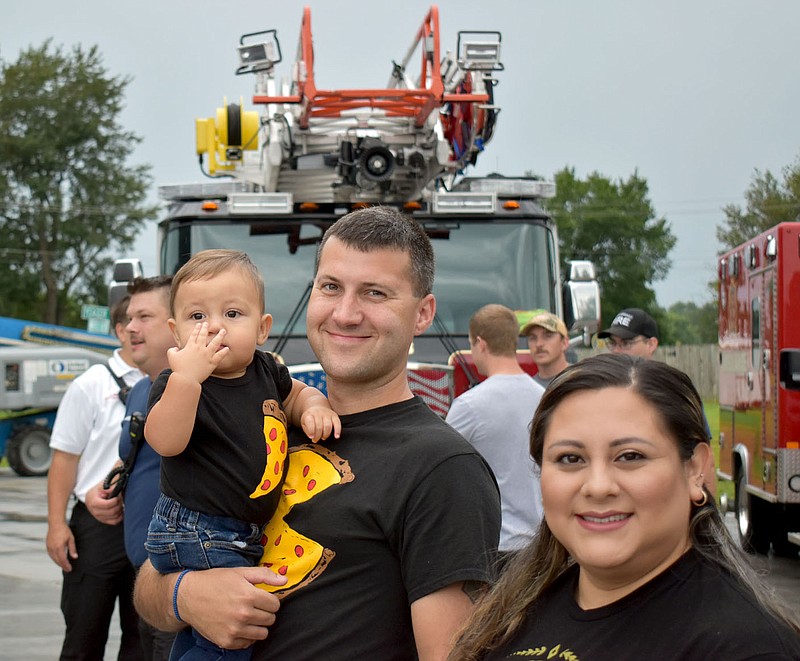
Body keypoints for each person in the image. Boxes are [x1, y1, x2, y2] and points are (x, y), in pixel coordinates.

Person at [134, 206, 501, 661]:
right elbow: (149, 583)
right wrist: (185, 595)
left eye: (375, 293)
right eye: (331, 287)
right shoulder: (255, 414)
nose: (346, 314)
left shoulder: (443, 470)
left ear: (423, 313)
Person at [448, 354, 800, 660]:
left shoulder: (748, 648)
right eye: (570, 458)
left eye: (630, 457)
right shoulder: (513, 611)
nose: (598, 486)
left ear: (695, 469)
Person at [142, 250, 341, 659]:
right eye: (197, 317)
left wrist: (315, 406)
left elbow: (297, 395)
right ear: (175, 332)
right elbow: (165, 441)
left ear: (262, 327)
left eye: (232, 314)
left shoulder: (266, 370)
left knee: (207, 636)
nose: (214, 326)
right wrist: (187, 380)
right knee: (233, 637)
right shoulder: (178, 383)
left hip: (235, 529)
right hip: (198, 527)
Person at [46, 296, 145, 660]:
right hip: (96, 529)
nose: (137, 330)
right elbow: (64, 458)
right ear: (120, 330)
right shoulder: (89, 385)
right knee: (84, 634)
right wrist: (57, 525)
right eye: (132, 322)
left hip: (145, 525)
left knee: (142, 640)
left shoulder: (168, 381)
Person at [85, 275, 178, 661]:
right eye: (129, 317)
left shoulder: (205, 391)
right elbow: (134, 458)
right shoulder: (142, 388)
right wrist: (99, 490)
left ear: (176, 323)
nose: (131, 328)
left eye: (143, 316)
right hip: (145, 584)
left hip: (180, 590)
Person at [446, 304, 545, 562]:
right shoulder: (545, 398)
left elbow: (438, 469)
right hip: (543, 544)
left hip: (496, 547)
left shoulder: (469, 406)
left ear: (480, 343)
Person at [521, 311, 570, 388]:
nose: (539, 344)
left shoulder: (582, 381)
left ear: (564, 343)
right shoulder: (527, 389)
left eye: (548, 336)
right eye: (533, 338)